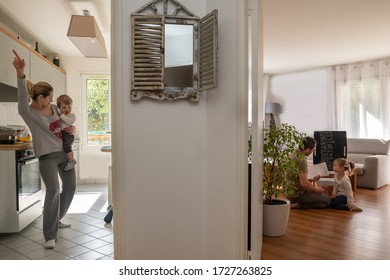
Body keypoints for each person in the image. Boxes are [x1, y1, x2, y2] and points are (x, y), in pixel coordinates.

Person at [12, 50, 76, 249]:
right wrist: (20, 74)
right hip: (47, 157)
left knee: (71, 187)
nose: (52, 101)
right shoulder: (29, 112)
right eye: (50, 98)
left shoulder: (56, 109)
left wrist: (70, 128)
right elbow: (23, 96)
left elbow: (64, 123)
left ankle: (57, 218)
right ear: (41, 98)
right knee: (53, 190)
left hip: (64, 154)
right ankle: (49, 235)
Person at [286, 136, 331, 209]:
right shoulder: (301, 160)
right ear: (308, 149)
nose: (313, 151)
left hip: (288, 192)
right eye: (313, 149)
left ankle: (296, 202)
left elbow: (296, 178)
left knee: (322, 199)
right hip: (296, 194)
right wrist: (317, 190)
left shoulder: (293, 154)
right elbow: (304, 183)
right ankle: (298, 205)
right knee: (327, 202)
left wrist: (312, 179)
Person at [57, 94, 77, 171]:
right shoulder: (59, 114)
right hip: (63, 134)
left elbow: (69, 122)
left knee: (67, 147)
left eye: (69, 107)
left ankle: (71, 161)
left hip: (68, 135)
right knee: (64, 147)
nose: (67, 109)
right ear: (59, 108)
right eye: (64, 107)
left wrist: (61, 115)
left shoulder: (72, 115)